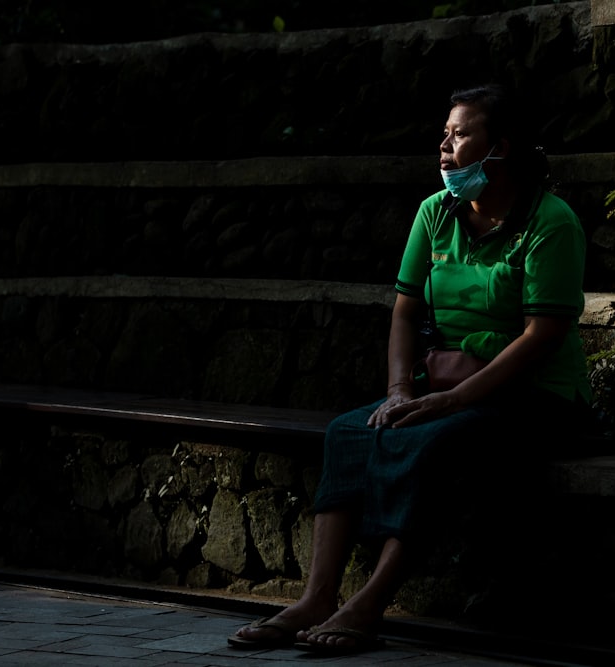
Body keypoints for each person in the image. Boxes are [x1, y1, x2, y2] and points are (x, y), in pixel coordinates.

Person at [228, 83, 592, 654]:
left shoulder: (551, 222)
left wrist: (451, 401)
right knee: (351, 430)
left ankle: (370, 602)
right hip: (445, 384)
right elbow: (404, 312)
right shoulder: (434, 213)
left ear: (501, 148)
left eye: (461, 133)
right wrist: (399, 390)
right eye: (444, 133)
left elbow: (541, 337)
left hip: (533, 394)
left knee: (432, 442)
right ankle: (317, 595)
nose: (444, 145)